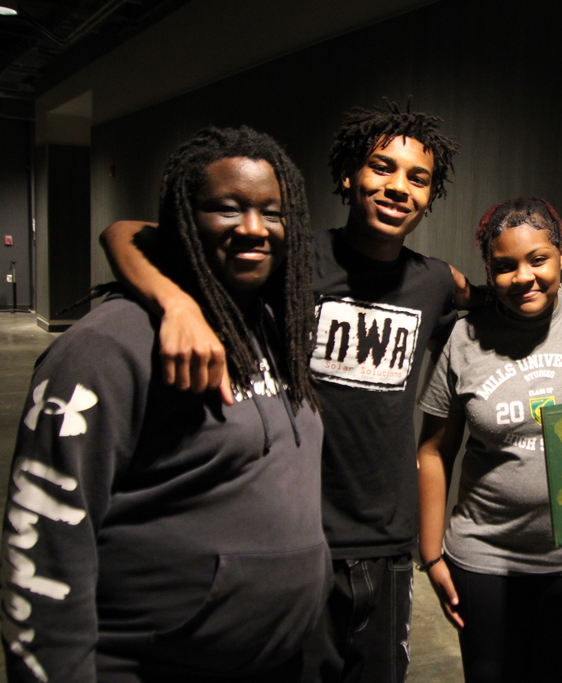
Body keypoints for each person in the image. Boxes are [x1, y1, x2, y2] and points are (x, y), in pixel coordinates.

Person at [100, 102, 471, 683]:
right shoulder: (291, 257)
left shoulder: (435, 282)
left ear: (429, 198)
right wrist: (175, 304)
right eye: (381, 167)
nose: (398, 187)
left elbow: (496, 305)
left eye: (416, 178)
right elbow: (124, 233)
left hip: (386, 541)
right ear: (348, 175)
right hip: (295, 534)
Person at [1, 126, 328, 682]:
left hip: (273, 662)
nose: (254, 228)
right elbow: (45, 551)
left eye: (271, 213)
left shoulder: (273, 325)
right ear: (184, 220)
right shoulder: (104, 348)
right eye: (227, 209)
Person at [417, 198, 562, 683]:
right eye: (505, 266)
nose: (523, 277)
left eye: (538, 259)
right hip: (483, 557)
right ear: (489, 272)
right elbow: (432, 451)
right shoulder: (465, 337)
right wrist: (431, 555)